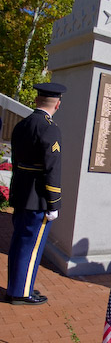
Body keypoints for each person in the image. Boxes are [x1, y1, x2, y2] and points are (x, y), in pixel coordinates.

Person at [6, 82, 66, 305]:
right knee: (31, 248)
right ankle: (21, 293)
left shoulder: (22, 125)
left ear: (36, 100)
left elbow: (17, 162)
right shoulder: (50, 128)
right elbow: (52, 168)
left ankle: (17, 287)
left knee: (19, 243)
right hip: (38, 198)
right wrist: (54, 203)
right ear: (58, 104)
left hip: (22, 194)